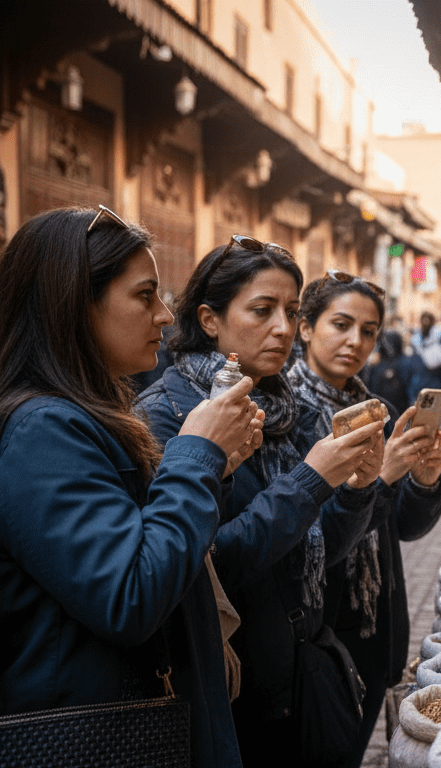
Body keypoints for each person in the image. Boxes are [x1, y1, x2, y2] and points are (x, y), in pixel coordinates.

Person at [0, 207, 262, 767]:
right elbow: (129, 596)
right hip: (97, 738)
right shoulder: (40, 430)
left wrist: (212, 469)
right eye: (145, 296)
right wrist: (195, 454)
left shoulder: (90, 411)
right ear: (72, 302)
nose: (165, 315)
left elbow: (149, 542)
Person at [137, 236, 385, 766]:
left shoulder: (279, 405)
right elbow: (206, 566)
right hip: (230, 688)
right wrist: (310, 481)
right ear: (210, 320)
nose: (283, 328)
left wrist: (360, 486)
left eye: (292, 312)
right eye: (262, 309)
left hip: (297, 671)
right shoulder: (170, 415)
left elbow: (322, 551)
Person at [288, 271, 441, 767]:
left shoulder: (373, 412)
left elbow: (402, 527)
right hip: (322, 630)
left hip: (377, 624)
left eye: (369, 330)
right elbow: (309, 536)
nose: (355, 341)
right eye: (341, 324)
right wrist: (382, 477)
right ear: (307, 327)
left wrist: (422, 478)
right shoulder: (284, 416)